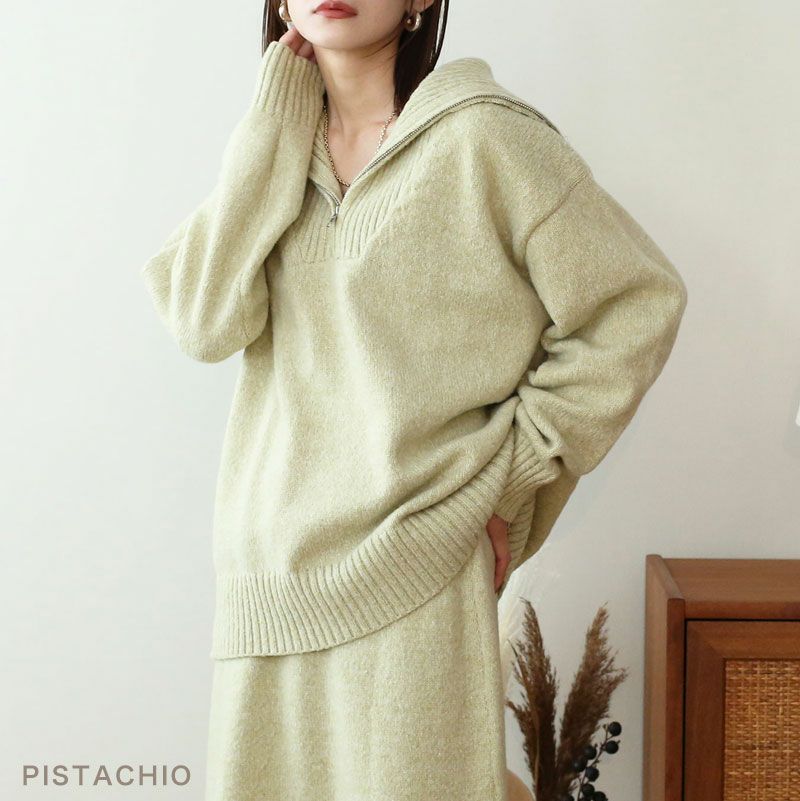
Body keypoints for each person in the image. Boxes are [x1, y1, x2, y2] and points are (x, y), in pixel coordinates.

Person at [139, 1, 688, 798]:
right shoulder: (275, 155)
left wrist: (511, 477)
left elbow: (635, 305)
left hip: (417, 572)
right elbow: (202, 320)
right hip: (268, 585)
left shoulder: (485, 138)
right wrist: (271, 123)